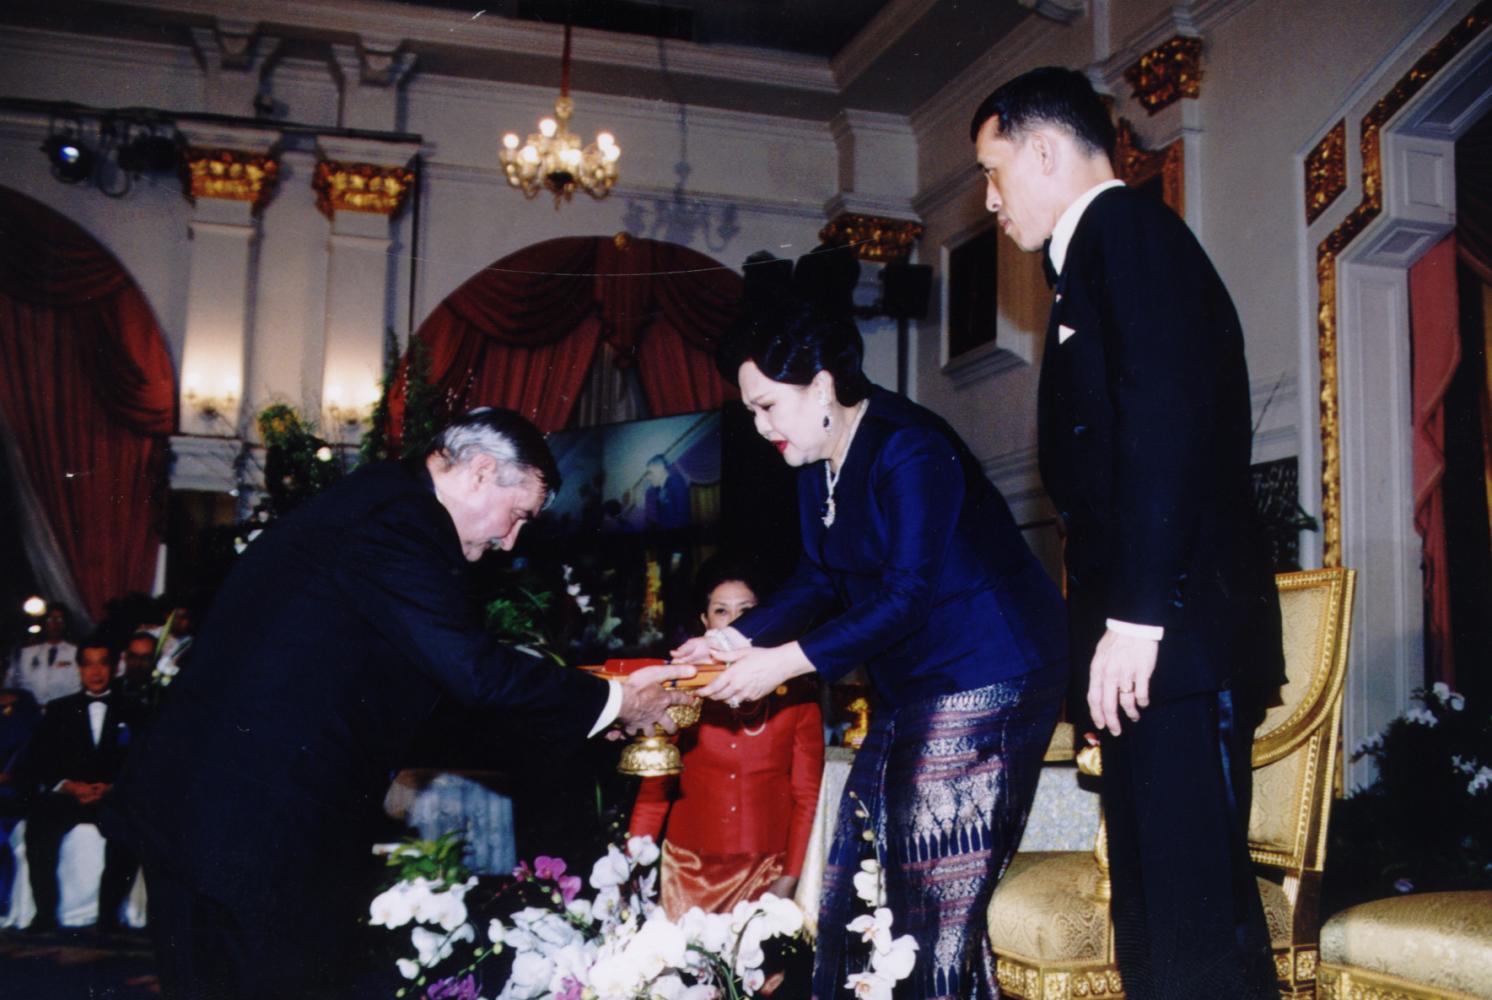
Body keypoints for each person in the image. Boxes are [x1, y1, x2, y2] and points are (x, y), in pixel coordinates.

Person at [106, 407, 695, 999]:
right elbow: (474, 674)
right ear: (481, 472)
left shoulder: (387, 504)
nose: (508, 541)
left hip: (236, 820)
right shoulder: (400, 522)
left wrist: (598, 714)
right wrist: (618, 700)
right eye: (517, 517)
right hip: (245, 831)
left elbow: (438, 699)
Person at [969, 67, 1285, 1000]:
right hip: (1153, 641)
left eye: (994, 172)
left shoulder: (1129, 232)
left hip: (1173, 636)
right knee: (1158, 922)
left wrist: (1137, 620)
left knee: (1193, 923)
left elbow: (1166, 422)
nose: (990, 200)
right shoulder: (1093, 256)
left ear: (1044, 150)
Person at [674, 302, 1068, 1000]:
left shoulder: (907, 446)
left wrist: (782, 662)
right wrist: (734, 638)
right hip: (916, 681)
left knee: (928, 880)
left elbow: (905, 596)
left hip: (990, 668)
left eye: (768, 406)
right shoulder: (815, 461)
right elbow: (819, 577)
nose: (761, 426)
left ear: (822, 386)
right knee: (862, 856)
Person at [630, 558, 823, 920]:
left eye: (746, 612)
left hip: (767, 873)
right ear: (705, 622)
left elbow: (806, 798)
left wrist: (790, 877)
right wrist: (630, 866)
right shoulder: (680, 691)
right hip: (687, 875)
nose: (734, 622)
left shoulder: (798, 697)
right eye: (721, 611)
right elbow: (654, 790)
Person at [13, 641, 142, 933]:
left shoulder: (133, 710)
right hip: (69, 796)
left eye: (103, 663)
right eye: (89, 664)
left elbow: (141, 761)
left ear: (114, 667)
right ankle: (44, 915)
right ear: (80, 669)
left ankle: (108, 918)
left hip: (111, 796)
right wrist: (68, 785)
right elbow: (39, 761)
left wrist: (111, 787)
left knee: (127, 831)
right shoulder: (59, 710)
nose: (96, 671)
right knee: (38, 828)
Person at [5, 604, 81, 707]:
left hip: (63, 711)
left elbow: (77, 687)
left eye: (60, 619)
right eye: (50, 619)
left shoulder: (75, 652)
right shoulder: (27, 653)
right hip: (31, 712)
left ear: (65, 623)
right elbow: (15, 684)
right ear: (44, 622)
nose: (55, 624)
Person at [642, 454, 691, 531]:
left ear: (660, 468)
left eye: (650, 472)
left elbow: (682, 516)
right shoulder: (659, 490)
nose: (648, 477)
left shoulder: (676, 481)